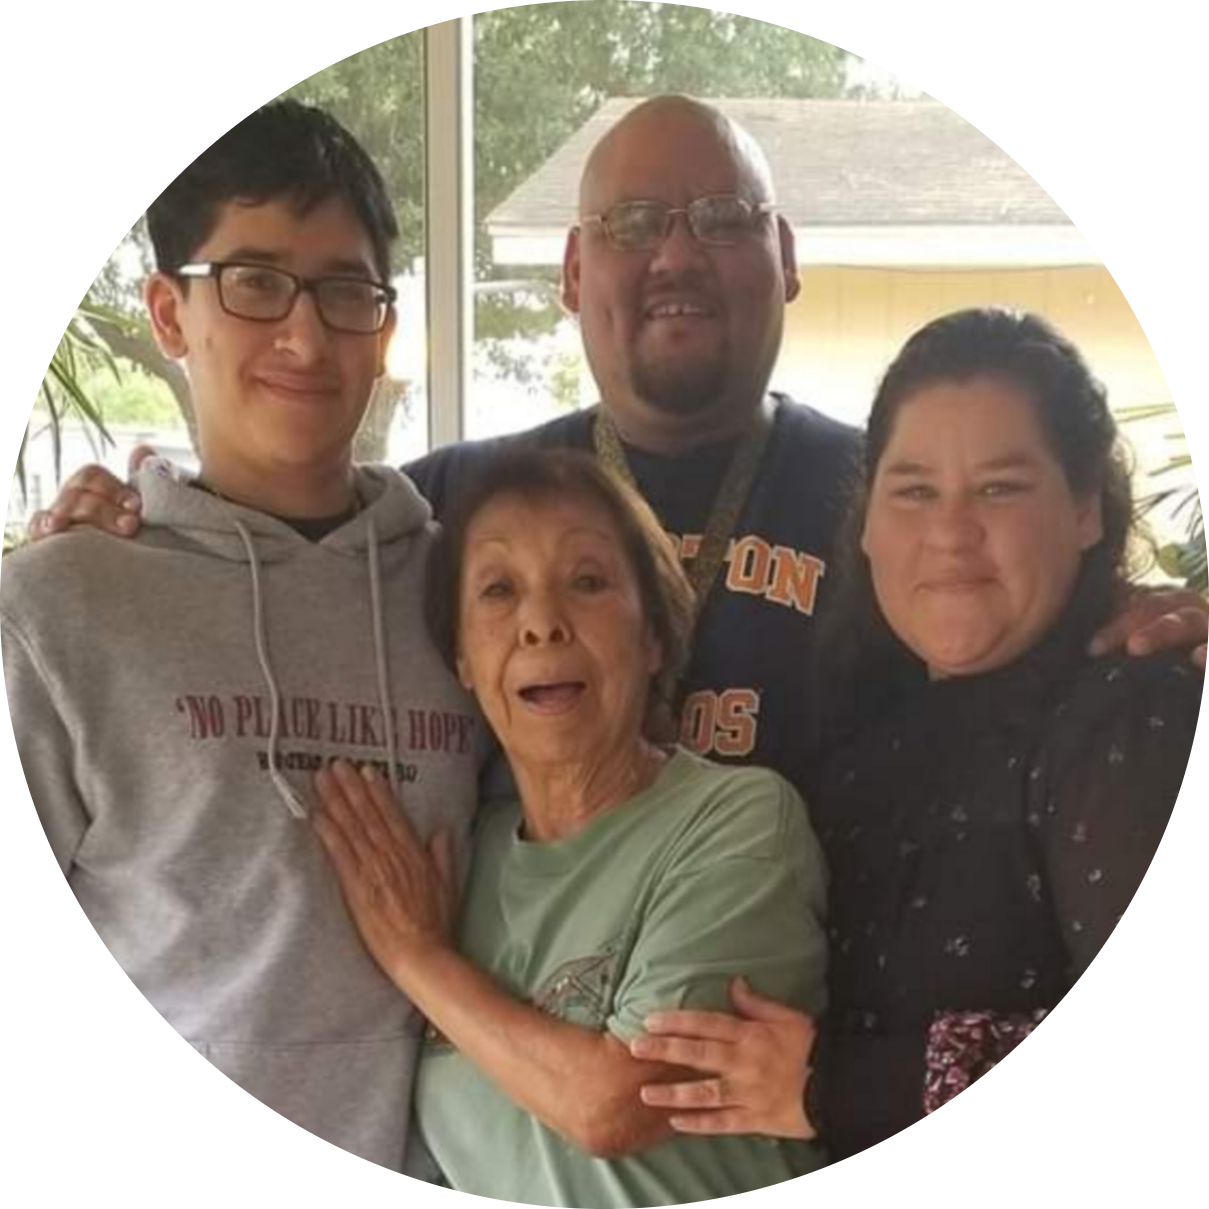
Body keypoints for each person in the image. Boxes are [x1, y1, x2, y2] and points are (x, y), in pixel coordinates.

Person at [27, 95, 1209, 765]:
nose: (678, 254)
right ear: (574, 272)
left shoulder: (897, 497)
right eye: (635, 223)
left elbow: (1036, 605)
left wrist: (1140, 616)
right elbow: (286, 539)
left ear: (786, 258)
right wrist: (131, 527)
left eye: (723, 218)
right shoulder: (448, 507)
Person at [1, 101, 481, 1171]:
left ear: (383, 326)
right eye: (256, 283)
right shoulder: (58, 607)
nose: (306, 339)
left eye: (345, 292)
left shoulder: (472, 594)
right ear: (168, 313)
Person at [628, 309, 1201, 1160]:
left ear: (1086, 508)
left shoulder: (1136, 708)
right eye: (913, 490)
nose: (949, 530)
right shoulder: (855, 734)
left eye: (999, 487)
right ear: (865, 521)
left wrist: (833, 1083)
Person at [312, 448, 829, 1203]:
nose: (542, 624)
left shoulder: (738, 821)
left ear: (654, 637)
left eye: (586, 582)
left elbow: (615, 1105)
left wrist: (416, 956)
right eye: (498, 590)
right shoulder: (464, 852)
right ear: (461, 657)